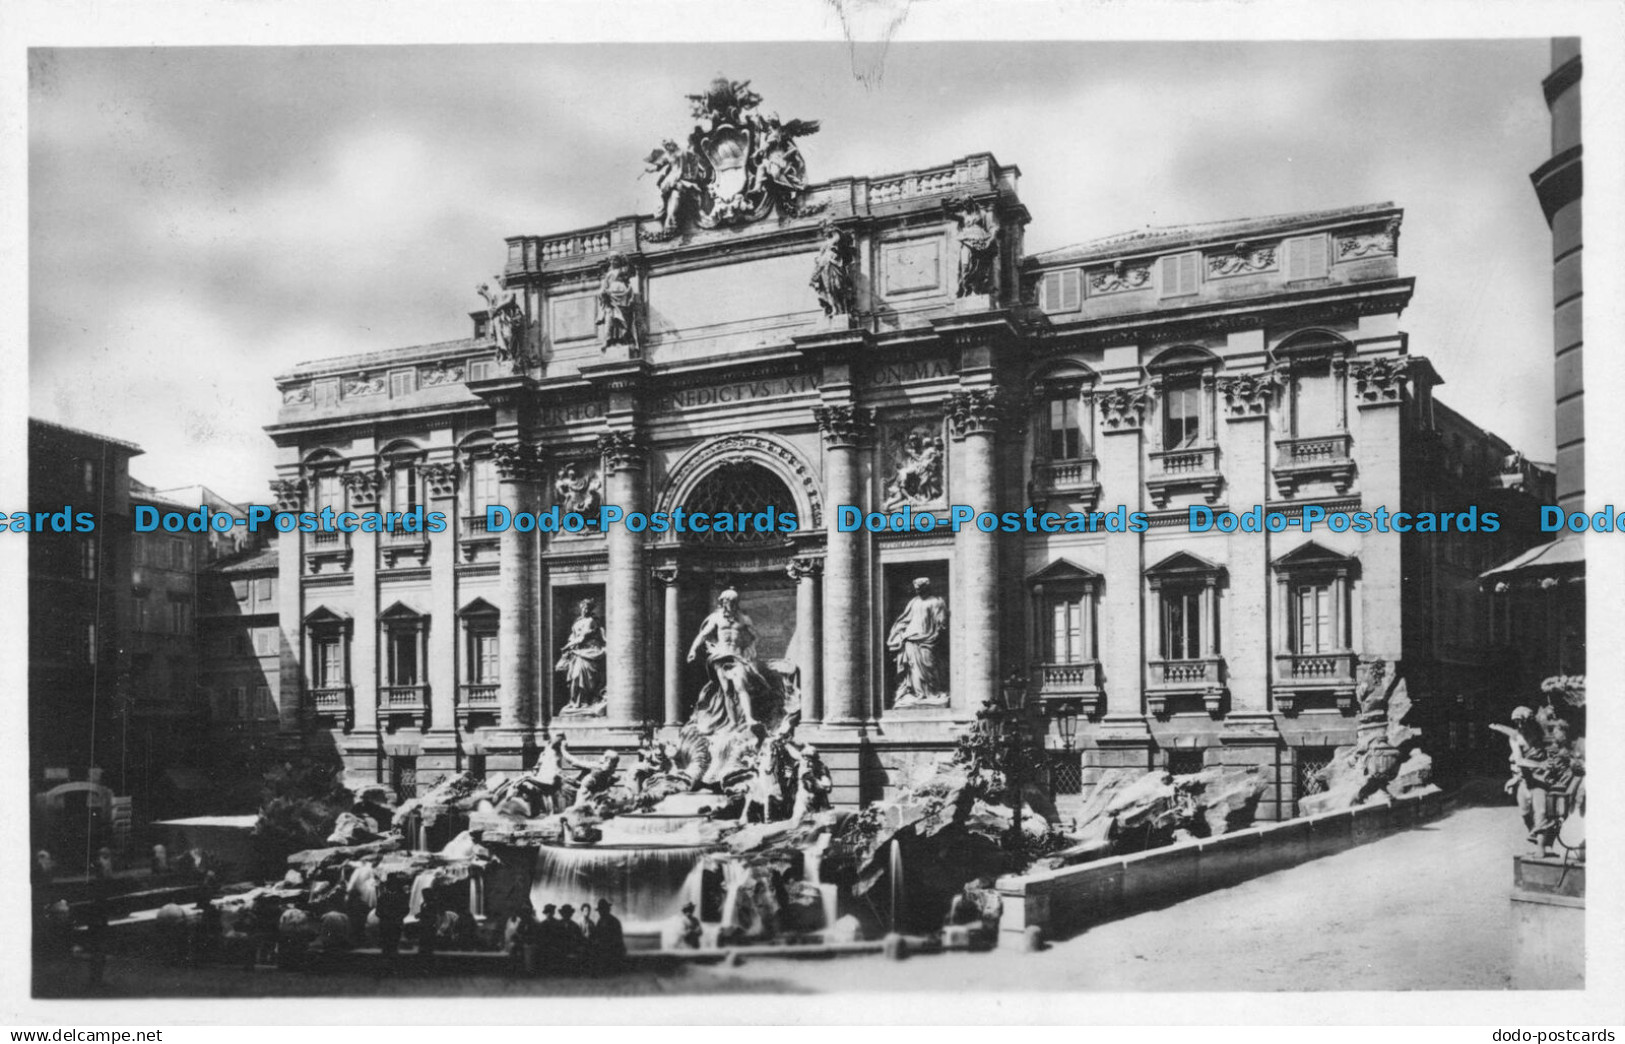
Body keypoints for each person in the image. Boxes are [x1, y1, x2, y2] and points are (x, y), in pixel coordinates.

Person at [686, 589, 771, 731]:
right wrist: (692, 650)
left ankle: (749, 718)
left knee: (740, 686)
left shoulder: (744, 619)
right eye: (726, 601)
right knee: (727, 691)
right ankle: (732, 721)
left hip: (737, 657)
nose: (729, 604)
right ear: (722, 602)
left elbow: (757, 636)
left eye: (732, 601)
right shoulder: (716, 618)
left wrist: (751, 648)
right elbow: (703, 635)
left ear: (736, 603)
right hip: (721, 656)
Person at [887, 578, 949, 705]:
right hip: (910, 638)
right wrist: (899, 632)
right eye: (916, 588)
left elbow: (942, 622)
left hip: (929, 639)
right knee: (913, 668)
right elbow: (904, 619)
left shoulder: (937, 601)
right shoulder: (914, 602)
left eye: (919, 588)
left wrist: (937, 634)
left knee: (929, 665)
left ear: (926, 587)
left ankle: (932, 693)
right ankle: (918, 694)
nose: (917, 590)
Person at [556, 599, 608, 714]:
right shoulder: (577, 622)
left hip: (589, 652)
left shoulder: (591, 621)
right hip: (577, 653)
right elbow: (573, 636)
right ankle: (575, 702)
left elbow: (582, 638)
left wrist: (567, 646)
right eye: (584, 608)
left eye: (588, 608)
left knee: (579, 677)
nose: (585, 610)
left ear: (591, 610)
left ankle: (583, 702)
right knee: (575, 678)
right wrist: (570, 645)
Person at [375, 873, 410, 962]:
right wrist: (385, 916)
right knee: (386, 945)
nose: (392, 886)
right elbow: (378, 911)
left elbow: (406, 910)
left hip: (395, 923)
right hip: (386, 924)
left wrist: (398, 917)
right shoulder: (383, 897)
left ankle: (392, 964)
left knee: (393, 944)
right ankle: (386, 964)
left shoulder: (401, 897)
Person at [587, 898, 626, 976]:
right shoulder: (601, 920)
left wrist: (601, 941)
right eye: (600, 910)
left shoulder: (613, 921)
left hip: (613, 946)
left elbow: (616, 938)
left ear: (607, 910)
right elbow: (596, 933)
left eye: (602, 910)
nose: (600, 912)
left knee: (599, 950)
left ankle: (602, 970)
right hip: (605, 945)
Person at [557, 905, 586, 973]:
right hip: (559, 949)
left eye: (568, 913)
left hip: (572, 949)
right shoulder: (557, 925)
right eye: (565, 913)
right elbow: (554, 938)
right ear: (562, 914)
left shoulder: (575, 926)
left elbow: (580, 939)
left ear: (571, 914)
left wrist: (578, 946)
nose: (566, 915)